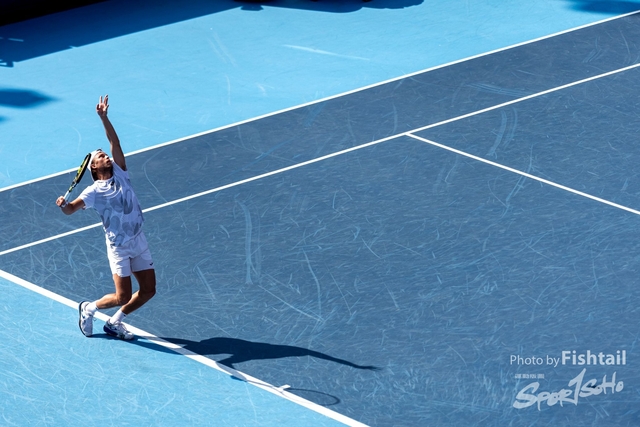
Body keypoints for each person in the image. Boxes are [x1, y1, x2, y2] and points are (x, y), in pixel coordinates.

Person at [56, 95, 156, 340]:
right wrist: (64, 205)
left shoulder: (121, 172)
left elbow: (114, 141)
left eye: (105, 154)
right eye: (100, 156)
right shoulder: (93, 192)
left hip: (138, 239)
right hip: (119, 247)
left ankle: (115, 322)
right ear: (93, 167)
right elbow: (70, 210)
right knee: (122, 296)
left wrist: (104, 117)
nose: (106, 156)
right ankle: (89, 308)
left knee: (148, 290)